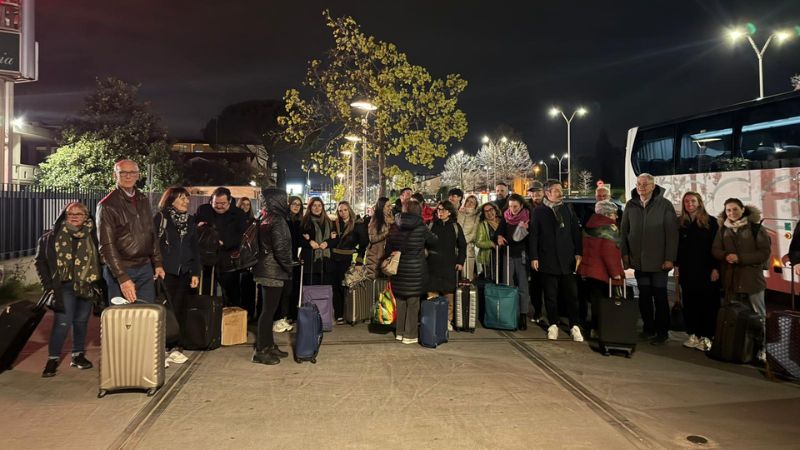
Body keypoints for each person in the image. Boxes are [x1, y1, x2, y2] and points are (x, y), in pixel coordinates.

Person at [35, 202, 102, 378]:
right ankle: (53, 358)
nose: (74, 216)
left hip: (86, 285)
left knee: (81, 322)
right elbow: (40, 262)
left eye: (79, 214)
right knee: (62, 322)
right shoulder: (51, 237)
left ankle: (78, 355)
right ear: (64, 215)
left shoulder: (93, 236)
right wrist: (48, 286)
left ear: (86, 217)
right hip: (63, 286)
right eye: (70, 213)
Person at [620, 173, 679, 346]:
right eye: (639, 184)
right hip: (639, 262)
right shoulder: (631, 205)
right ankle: (648, 329)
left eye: (645, 184)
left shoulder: (664, 205)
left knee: (660, 297)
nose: (641, 187)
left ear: (653, 186)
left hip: (659, 262)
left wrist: (670, 258)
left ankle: (662, 332)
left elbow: (672, 235)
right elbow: (624, 232)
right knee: (644, 296)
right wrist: (625, 256)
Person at [97, 159, 164, 303]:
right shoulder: (107, 205)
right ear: (115, 175)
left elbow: (151, 233)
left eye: (132, 172)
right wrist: (122, 277)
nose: (128, 176)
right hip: (122, 268)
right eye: (123, 173)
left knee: (145, 316)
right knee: (121, 319)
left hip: (145, 268)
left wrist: (157, 262)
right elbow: (106, 245)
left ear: (138, 175)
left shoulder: (143, 199)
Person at [712, 198, 771, 361]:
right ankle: (737, 347)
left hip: (751, 279)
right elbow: (715, 249)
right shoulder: (723, 229)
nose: (731, 213)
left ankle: (762, 349)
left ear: (743, 209)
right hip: (731, 279)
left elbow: (764, 252)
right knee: (734, 315)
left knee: (758, 315)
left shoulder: (755, 228)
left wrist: (740, 258)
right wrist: (725, 255)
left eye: (735, 209)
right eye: (728, 210)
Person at [530, 180, 584, 342]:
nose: (560, 193)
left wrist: (578, 253)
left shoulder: (567, 209)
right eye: (556, 190)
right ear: (547, 192)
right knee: (550, 295)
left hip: (567, 259)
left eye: (561, 190)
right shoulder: (539, 211)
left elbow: (575, 232)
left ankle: (575, 325)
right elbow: (534, 235)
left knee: (571, 295)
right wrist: (534, 256)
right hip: (547, 259)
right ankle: (553, 324)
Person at [154, 187, 200, 364]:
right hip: (165, 272)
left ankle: (175, 347)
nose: (186, 202)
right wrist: (156, 266)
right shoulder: (161, 218)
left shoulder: (190, 220)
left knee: (179, 309)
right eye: (182, 198)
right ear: (170, 200)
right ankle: (160, 349)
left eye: (187, 199)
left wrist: (195, 272)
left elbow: (194, 248)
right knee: (164, 310)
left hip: (184, 273)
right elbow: (153, 244)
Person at [385, 199, 438, 344]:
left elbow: (389, 245)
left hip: (399, 268)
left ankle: (399, 332)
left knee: (401, 300)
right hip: (415, 268)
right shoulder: (421, 226)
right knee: (413, 302)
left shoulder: (395, 225)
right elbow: (433, 240)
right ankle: (410, 335)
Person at [251, 188, 295, 365]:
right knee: (268, 312)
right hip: (273, 271)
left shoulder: (265, 217)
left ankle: (269, 345)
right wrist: (289, 267)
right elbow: (281, 249)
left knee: (268, 311)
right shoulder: (277, 220)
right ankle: (262, 350)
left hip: (265, 269)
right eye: (284, 199)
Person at [675, 192, 720, 352]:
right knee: (690, 303)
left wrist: (716, 267)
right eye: (686, 201)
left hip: (706, 271)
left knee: (707, 304)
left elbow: (717, 246)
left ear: (699, 202)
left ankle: (707, 336)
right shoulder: (682, 223)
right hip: (688, 271)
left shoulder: (711, 222)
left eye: (693, 201)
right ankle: (693, 333)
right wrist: (676, 266)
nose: (689, 204)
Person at [195, 187, 250, 316]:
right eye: (216, 203)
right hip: (207, 259)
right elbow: (195, 228)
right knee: (206, 292)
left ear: (229, 201)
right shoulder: (204, 210)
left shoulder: (238, 214)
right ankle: (207, 321)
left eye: (223, 204)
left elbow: (242, 236)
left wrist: (224, 242)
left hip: (228, 260)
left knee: (231, 294)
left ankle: (233, 322)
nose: (219, 206)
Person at [578, 200, 625, 336]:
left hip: (589, 269)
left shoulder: (589, 224)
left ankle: (590, 327)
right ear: (608, 214)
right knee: (603, 302)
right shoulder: (609, 228)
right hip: (602, 272)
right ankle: (600, 329)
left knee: (593, 301)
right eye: (614, 214)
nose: (616, 217)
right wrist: (615, 272)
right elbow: (609, 252)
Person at [426, 200, 467, 331]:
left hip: (449, 264)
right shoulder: (431, 225)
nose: (440, 212)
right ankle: (433, 318)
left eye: (443, 210)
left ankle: (448, 320)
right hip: (432, 264)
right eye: (438, 209)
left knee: (449, 293)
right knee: (432, 293)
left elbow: (462, 246)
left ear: (449, 212)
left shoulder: (455, 226)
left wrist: (460, 261)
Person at [330, 201, 368, 323]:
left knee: (344, 287)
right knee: (334, 287)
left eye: (345, 210)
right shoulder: (334, 224)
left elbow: (363, 245)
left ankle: (349, 312)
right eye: (340, 210)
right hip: (333, 258)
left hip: (346, 259)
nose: (343, 213)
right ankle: (339, 314)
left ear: (349, 210)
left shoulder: (357, 225)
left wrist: (359, 262)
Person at [498, 194, 532, 330]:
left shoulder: (527, 217)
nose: (513, 209)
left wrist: (524, 229)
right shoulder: (505, 217)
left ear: (521, 206)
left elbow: (520, 239)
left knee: (523, 286)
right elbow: (499, 232)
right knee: (508, 285)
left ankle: (523, 314)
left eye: (515, 206)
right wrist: (499, 236)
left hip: (522, 255)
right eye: (511, 206)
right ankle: (509, 313)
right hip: (508, 254)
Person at [273, 195, 304, 332]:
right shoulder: (284, 220)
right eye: (294, 204)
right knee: (284, 290)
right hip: (284, 260)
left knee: (291, 290)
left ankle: (287, 315)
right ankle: (280, 317)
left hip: (294, 259)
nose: (296, 206)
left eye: (299, 204)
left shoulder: (299, 221)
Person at [300, 196, 338, 287]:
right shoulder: (304, 222)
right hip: (311, 262)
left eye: (319, 206)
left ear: (323, 207)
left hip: (326, 263)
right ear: (310, 207)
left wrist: (327, 243)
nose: (317, 208)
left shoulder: (329, 222)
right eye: (314, 206)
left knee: (325, 291)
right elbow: (299, 240)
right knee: (310, 291)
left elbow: (336, 239)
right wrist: (309, 242)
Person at [526, 181, 545, 324]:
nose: (535, 196)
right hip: (531, 250)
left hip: (546, 250)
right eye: (532, 193)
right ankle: (537, 311)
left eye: (538, 193)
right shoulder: (527, 207)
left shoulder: (548, 207)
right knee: (535, 284)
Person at [365, 197, 394, 281]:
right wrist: (387, 233)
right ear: (382, 207)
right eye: (388, 206)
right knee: (374, 284)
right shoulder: (375, 220)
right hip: (375, 257)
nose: (390, 208)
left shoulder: (392, 219)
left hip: (388, 256)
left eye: (390, 205)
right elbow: (372, 238)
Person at [475, 202, 506, 279]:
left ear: (495, 210)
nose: (489, 213)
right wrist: (491, 244)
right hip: (490, 257)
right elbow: (478, 243)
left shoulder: (503, 221)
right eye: (486, 211)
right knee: (492, 279)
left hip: (505, 255)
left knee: (504, 278)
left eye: (491, 209)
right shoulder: (482, 225)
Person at [458, 195, 480, 280]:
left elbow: (473, 235)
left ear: (476, 205)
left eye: (472, 202)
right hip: (455, 249)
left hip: (468, 250)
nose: (469, 203)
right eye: (468, 201)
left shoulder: (476, 217)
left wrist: (461, 242)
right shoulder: (459, 214)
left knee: (467, 278)